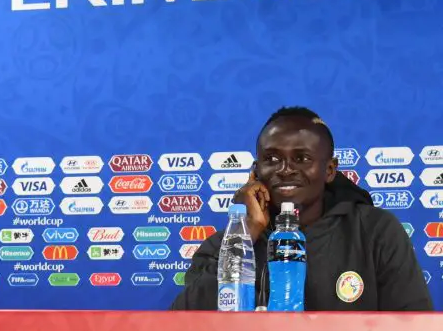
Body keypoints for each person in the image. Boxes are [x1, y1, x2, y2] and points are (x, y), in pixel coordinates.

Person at [171, 106, 432, 311]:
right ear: (255, 172)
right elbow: (185, 328)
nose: (285, 170)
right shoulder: (227, 244)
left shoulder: (375, 232)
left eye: (302, 158)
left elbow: (413, 328)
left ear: (329, 170)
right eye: (272, 159)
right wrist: (244, 237)